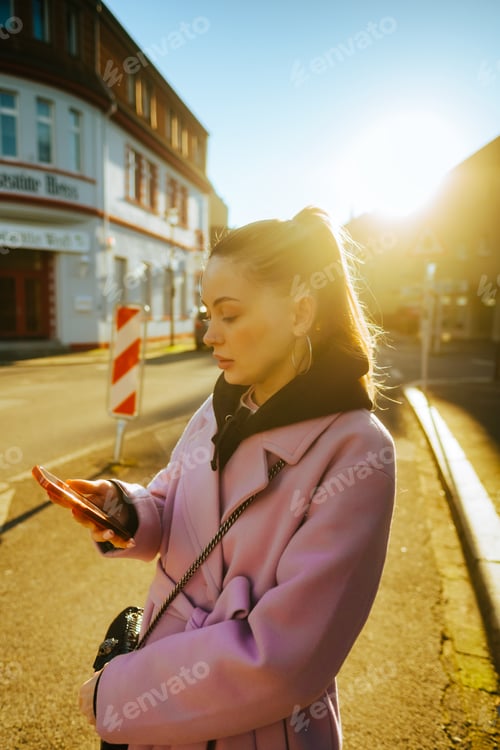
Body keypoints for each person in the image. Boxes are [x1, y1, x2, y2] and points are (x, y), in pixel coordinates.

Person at [71, 207, 396, 750]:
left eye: (229, 314)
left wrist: (123, 694)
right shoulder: (221, 407)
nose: (208, 334)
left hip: (257, 731)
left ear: (300, 311)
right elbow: (171, 503)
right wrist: (124, 509)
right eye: (206, 313)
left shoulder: (357, 450)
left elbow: (288, 660)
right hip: (159, 708)